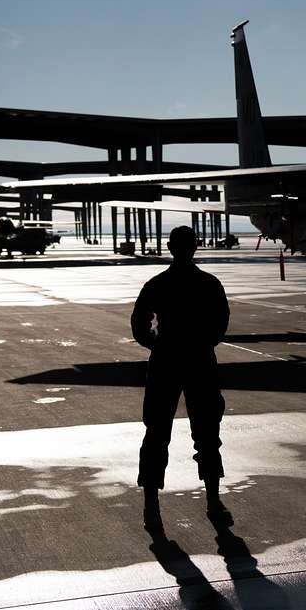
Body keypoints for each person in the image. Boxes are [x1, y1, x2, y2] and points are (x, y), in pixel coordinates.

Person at [131, 225, 232, 530]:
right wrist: (203, 344)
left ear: (170, 246)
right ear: (196, 246)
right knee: (207, 433)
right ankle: (213, 500)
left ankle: (151, 504)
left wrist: (157, 344)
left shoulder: (158, 283)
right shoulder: (209, 284)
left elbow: (139, 322)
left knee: (157, 432)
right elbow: (221, 322)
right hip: (200, 359)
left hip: (166, 359)